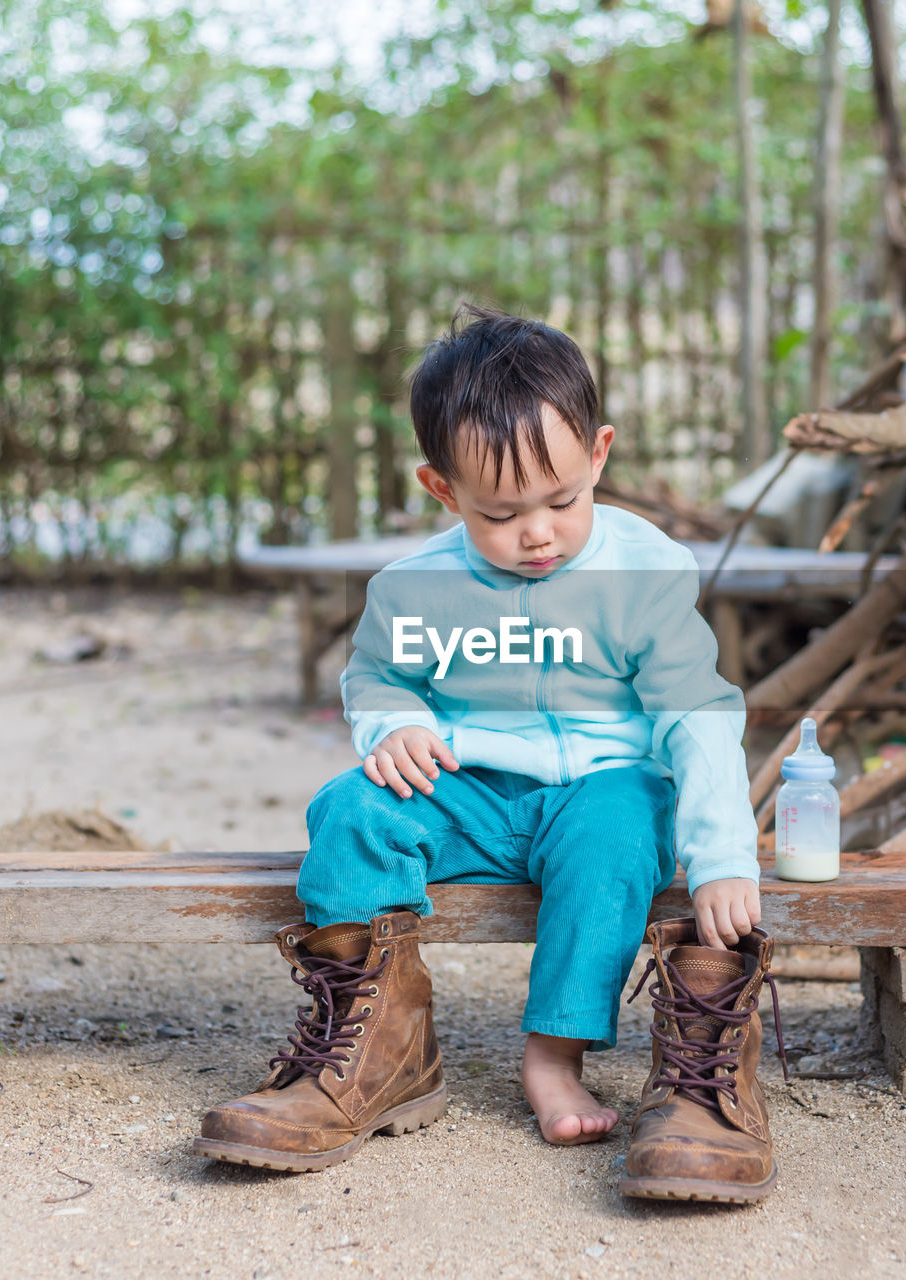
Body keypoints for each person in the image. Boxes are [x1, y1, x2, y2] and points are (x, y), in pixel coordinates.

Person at [194, 305, 783, 1202]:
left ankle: (554, 1055)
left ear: (600, 455)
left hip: (602, 785)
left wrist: (721, 854)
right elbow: (377, 678)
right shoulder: (416, 589)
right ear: (442, 490)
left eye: (562, 501)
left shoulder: (639, 572)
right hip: (467, 788)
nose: (538, 533)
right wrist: (394, 725)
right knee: (351, 808)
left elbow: (695, 713)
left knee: (617, 837)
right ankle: (379, 1043)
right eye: (501, 513)